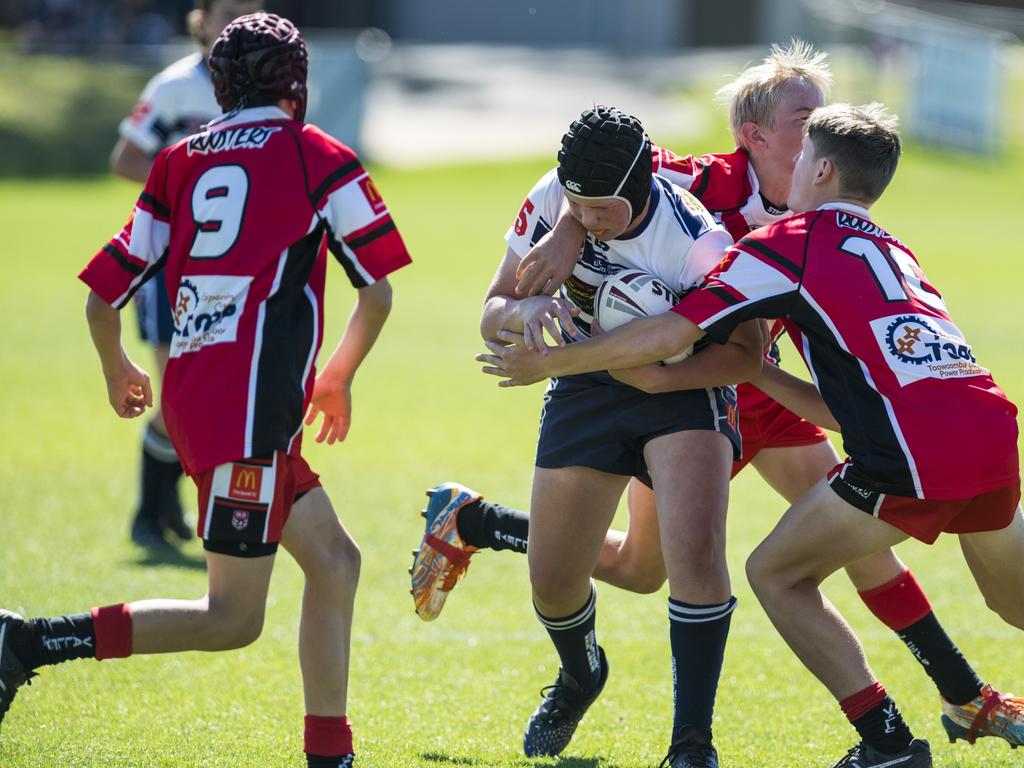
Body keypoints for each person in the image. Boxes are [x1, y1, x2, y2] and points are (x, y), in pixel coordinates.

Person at [411, 41, 1024, 750]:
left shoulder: (809, 220)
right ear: (755, 135)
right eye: (805, 116)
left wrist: (584, 359)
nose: (820, 125)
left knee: (850, 553)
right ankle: (481, 524)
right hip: (685, 381)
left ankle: (956, 698)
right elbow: (606, 173)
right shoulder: (697, 179)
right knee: (646, 569)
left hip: (745, 384)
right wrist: (572, 227)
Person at [0, 14, 411, 767]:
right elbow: (376, 290)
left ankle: (331, 752)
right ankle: (26, 642)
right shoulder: (316, 152)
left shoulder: (180, 158)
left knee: (336, 563)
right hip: (249, 411)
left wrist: (118, 367)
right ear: (296, 82)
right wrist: (339, 376)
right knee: (230, 618)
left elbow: (102, 297)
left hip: (204, 397)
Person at [470, 104, 765, 767]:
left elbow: (750, 353)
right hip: (585, 384)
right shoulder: (554, 199)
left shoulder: (696, 242)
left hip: (684, 386)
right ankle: (581, 673)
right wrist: (526, 308)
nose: (589, 218)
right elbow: (491, 312)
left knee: (692, 558)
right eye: (579, 204)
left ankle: (692, 745)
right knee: (553, 581)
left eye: (602, 209)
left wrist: (663, 381)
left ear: (641, 188)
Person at [111, 0, 262, 549]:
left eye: (251, 9)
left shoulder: (266, 92)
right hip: (171, 266)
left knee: (207, 395)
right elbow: (126, 156)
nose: (239, 20)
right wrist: (186, 189)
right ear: (203, 20)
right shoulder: (175, 87)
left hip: (236, 270)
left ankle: (163, 509)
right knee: (183, 395)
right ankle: (151, 513)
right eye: (229, 10)